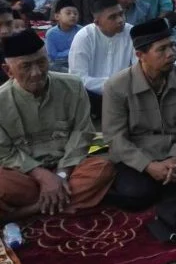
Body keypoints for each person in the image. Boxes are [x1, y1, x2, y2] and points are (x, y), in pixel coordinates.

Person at [0, 29, 114, 221]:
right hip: (25, 174)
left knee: (105, 160)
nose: (36, 73)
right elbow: (4, 153)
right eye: (26, 66)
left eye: (41, 62)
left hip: (71, 167)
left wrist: (60, 176)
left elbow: (82, 133)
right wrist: (43, 176)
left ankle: (32, 209)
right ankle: (61, 201)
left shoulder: (73, 85)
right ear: (8, 70)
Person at [103, 19, 176, 210]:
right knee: (136, 194)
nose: (172, 53)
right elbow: (115, 138)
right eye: (162, 49)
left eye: (172, 46)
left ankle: (167, 183)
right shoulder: (117, 86)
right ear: (141, 55)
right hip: (138, 155)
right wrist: (148, 166)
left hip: (174, 150)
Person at [68, 0, 136, 116]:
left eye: (121, 14)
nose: (120, 20)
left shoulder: (131, 32)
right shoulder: (84, 37)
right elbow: (78, 78)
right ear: (97, 22)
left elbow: (140, 67)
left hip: (124, 94)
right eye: (112, 17)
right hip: (91, 96)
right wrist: (114, 86)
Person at [45, 0, 82, 72]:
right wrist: (73, 51)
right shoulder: (51, 34)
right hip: (60, 66)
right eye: (68, 13)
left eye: (75, 13)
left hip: (79, 63)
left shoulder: (81, 30)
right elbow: (54, 57)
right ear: (57, 16)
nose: (73, 16)